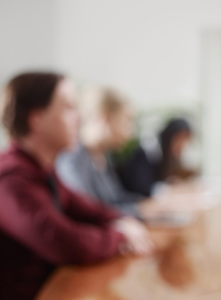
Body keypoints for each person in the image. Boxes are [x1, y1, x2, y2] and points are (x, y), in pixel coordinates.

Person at [0, 72, 152, 300]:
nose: (79, 118)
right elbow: (62, 241)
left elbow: (87, 208)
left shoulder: (42, 170)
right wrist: (119, 236)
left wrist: (122, 220)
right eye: (69, 108)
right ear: (36, 118)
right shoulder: (10, 178)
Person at [56, 86, 147, 216]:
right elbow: (88, 212)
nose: (131, 132)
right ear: (106, 117)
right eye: (127, 120)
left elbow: (115, 199)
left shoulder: (101, 155)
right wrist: (140, 210)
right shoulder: (73, 159)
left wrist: (148, 204)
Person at [115, 117, 196, 196]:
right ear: (170, 135)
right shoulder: (149, 148)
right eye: (179, 139)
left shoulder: (168, 154)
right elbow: (142, 187)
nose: (182, 145)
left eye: (185, 140)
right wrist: (169, 189)